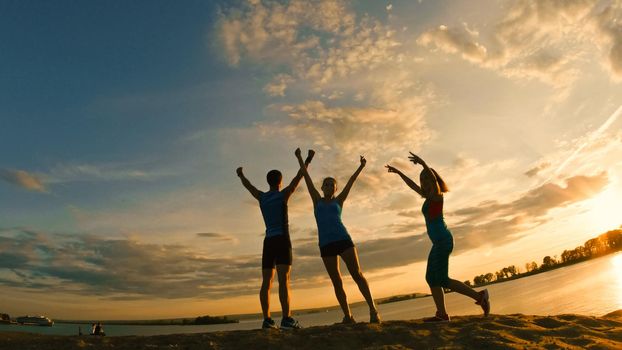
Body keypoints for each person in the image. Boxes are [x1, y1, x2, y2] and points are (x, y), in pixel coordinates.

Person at [385, 152, 490, 322]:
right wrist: (398, 172)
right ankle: (443, 313)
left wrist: (423, 163)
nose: (425, 182)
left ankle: (479, 297)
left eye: (427, 179)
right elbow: (411, 185)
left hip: (443, 241)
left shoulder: (437, 196)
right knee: (432, 278)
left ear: (433, 180)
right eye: (422, 180)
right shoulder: (427, 198)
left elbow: (434, 182)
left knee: (442, 279)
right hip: (439, 242)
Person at [295, 148, 381, 324]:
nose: (327, 186)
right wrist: (299, 158)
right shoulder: (316, 200)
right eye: (325, 184)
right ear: (322, 188)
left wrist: (361, 167)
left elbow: (351, 181)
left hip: (343, 240)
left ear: (335, 188)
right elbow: (306, 176)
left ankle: (373, 310)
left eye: (331, 184)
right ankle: (348, 316)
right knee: (336, 281)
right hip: (326, 244)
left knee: (357, 274)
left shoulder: (338, 201)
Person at [236, 150, 315, 329]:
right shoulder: (283, 194)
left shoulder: (262, 197)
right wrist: (308, 158)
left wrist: (241, 175)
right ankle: (286, 319)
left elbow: (249, 186)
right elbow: (299, 176)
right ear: (280, 182)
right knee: (284, 280)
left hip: (268, 242)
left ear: (268, 182)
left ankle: (267, 319)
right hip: (282, 240)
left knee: (266, 282)